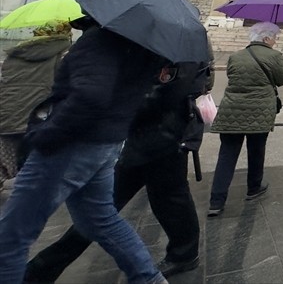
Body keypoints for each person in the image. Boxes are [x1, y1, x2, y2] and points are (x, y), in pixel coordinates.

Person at [0, 16, 167, 284]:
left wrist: (47, 135)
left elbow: (90, 96)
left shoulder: (100, 39)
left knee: (11, 235)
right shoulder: (143, 43)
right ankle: (149, 279)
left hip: (71, 145)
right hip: (106, 144)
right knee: (100, 220)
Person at [25, 52, 214, 280]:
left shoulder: (182, 47)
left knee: (157, 202)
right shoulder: (152, 43)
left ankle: (40, 269)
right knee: (125, 206)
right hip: (141, 138)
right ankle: (41, 269)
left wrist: (122, 100)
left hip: (164, 138)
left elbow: (171, 92)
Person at [207, 22, 283, 217]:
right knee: (256, 150)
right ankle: (254, 188)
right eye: (273, 38)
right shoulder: (274, 56)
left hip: (231, 111)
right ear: (265, 39)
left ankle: (216, 201)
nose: (274, 41)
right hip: (259, 112)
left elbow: (232, 76)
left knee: (226, 156)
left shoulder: (235, 57)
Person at [0, 21, 72, 186]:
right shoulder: (61, 56)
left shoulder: (14, 55)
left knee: (5, 167)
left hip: (6, 117)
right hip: (37, 119)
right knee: (31, 173)